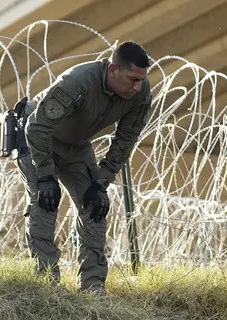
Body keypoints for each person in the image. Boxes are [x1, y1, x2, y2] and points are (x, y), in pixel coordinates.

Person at [20, 41, 153, 294]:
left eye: (141, 80)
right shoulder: (78, 81)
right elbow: (37, 127)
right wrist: (46, 175)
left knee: (96, 205)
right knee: (45, 201)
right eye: (132, 79)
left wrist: (101, 181)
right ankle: (46, 283)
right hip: (37, 139)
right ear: (113, 70)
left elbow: (126, 139)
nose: (137, 87)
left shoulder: (140, 92)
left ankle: (92, 285)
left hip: (76, 146)